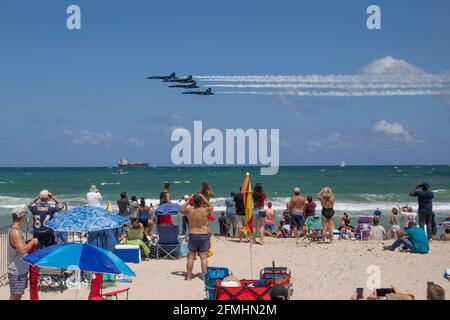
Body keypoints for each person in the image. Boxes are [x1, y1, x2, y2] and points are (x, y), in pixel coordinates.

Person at [7, 207, 39, 300]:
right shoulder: (15, 232)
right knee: (16, 297)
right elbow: (22, 251)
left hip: (19, 270)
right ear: (21, 217)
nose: (25, 217)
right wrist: (32, 242)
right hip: (17, 272)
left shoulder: (13, 229)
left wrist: (27, 242)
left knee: (14, 296)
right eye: (24, 215)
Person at [180, 194, 213, 281]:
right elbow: (211, 206)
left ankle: (189, 277)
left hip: (193, 235)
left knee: (191, 257)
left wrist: (188, 199)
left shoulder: (190, 211)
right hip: (204, 235)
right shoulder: (205, 210)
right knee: (203, 257)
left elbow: (181, 209)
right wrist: (204, 198)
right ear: (201, 202)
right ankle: (204, 277)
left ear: (193, 202)